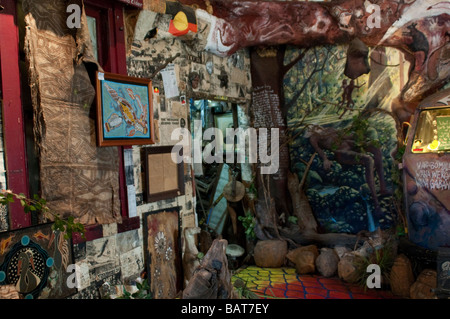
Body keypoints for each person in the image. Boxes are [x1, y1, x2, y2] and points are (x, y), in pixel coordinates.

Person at [305, 124, 391, 216]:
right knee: (368, 160)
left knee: (376, 147)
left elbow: (345, 135)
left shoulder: (329, 129)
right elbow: (318, 150)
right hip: (341, 152)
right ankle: (376, 204)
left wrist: (357, 135)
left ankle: (383, 188)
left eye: (317, 127)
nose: (318, 128)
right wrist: (325, 159)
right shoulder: (314, 137)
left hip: (350, 144)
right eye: (314, 128)